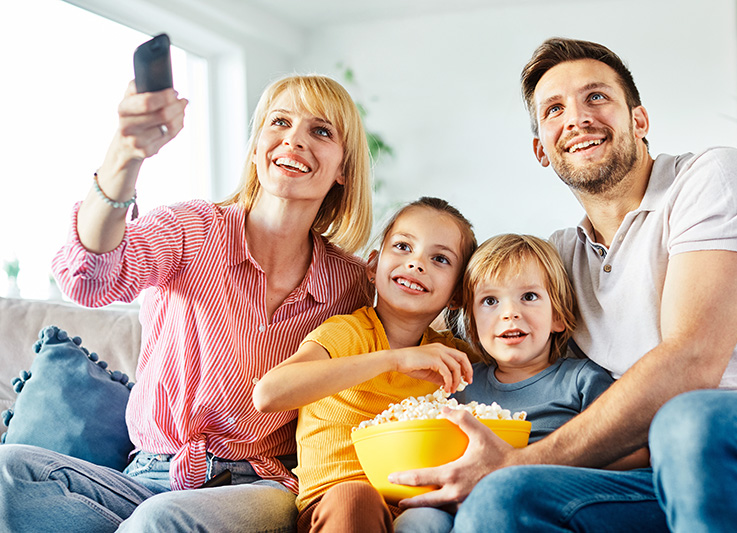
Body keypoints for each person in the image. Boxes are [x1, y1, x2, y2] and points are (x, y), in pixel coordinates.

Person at [390, 38, 737, 532]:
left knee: (692, 422)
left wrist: (524, 459)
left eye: (597, 97)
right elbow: (463, 295)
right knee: (502, 499)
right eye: (555, 109)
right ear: (542, 149)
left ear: (639, 120)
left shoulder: (714, 178)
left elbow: (693, 359)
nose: (577, 118)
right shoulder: (562, 256)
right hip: (654, 472)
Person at [0, 73, 374, 532]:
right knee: (9, 472)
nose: (293, 139)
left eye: (321, 131)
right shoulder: (192, 230)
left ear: (343, 169)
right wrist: (126, 151)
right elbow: (92, 279)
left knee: (160, 520)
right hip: (149, 477)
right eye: (279, 122)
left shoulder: (350, 283)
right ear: (258, 148)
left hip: (259, 485)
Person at [393, 233, 650, 533]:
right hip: (460, 498)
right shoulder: (460, 388)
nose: (509, 312)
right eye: (490, 301)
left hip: (536, 501)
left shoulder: (583, 379)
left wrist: (532, 464)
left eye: (529, 297)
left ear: (558, 316)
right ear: (473, 327)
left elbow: (633, 454)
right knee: (416, 520)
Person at [253, 196, 478, 533]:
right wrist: (396, 359)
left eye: (440, 258)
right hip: (337, 504)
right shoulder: (348, 333)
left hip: (415, 505)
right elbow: (269, 393)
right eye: (403, 246)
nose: (416, 263)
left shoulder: (452, 355)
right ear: (373, 266)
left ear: (458, 293)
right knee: (357, 499)